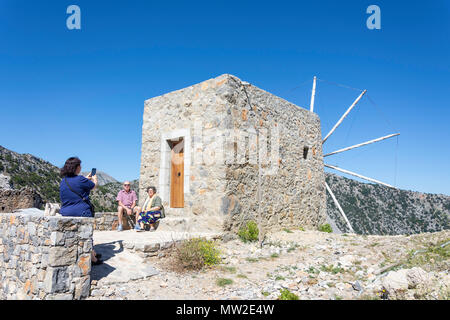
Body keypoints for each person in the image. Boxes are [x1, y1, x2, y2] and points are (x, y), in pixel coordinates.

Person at [59, 157, 102, 265]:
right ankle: (93, 259)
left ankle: (93, 253)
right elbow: (94, 186)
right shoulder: (80, 179)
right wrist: (94, 179)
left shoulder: (63, 181)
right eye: (80, 165)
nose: (81, 167)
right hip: (81, 212)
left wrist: (85, 179)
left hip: (65, 212)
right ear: (76, 167)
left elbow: (76, 186)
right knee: (87, 235)